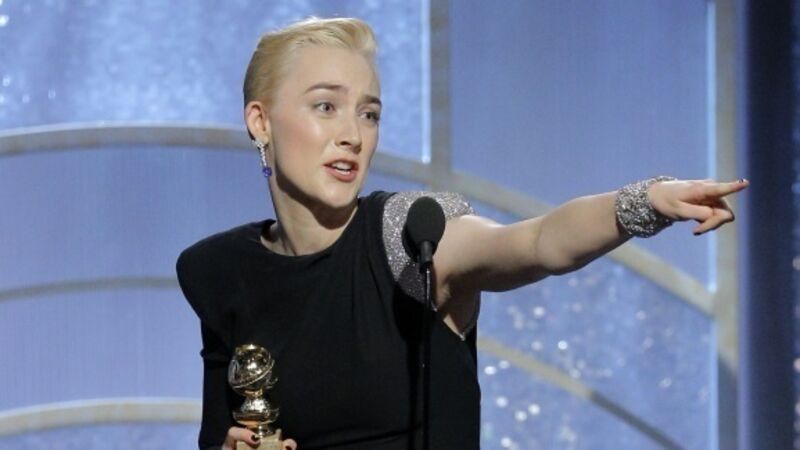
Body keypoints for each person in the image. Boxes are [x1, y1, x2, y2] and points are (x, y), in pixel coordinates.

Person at [175, 17, 748, 450]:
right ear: (260, 121)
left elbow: (536, 243)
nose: (352, 133)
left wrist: (645, 202)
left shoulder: (407, 234)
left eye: (369, 114)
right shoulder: (218, 271)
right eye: (326, 106)